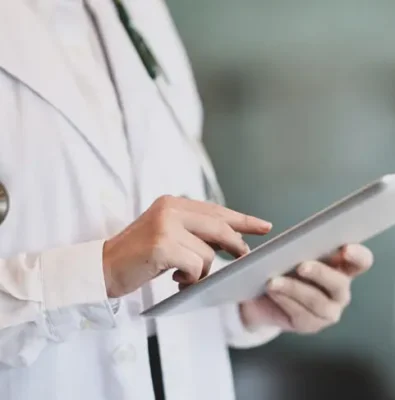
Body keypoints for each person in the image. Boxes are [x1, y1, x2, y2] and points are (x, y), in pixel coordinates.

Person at [0, 1, 374, 399]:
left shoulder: (141, 13)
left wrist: (249, 303)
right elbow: (110, 267)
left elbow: (158, 268)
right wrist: (100, 272)